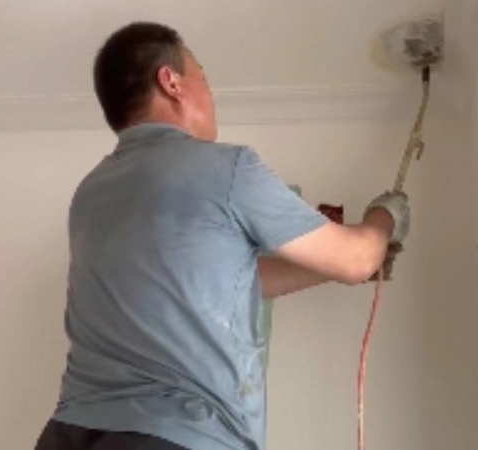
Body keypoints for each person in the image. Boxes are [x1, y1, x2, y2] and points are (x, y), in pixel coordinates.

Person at [34, 21, 410, 450]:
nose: (210, 95)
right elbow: (357, 258)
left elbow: (227, 279)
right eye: (204, 78)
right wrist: (386, 216)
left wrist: (324, 267)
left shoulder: (92, 191)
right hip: (174, 433)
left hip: (70, 433)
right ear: (171, 82)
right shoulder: (226, 168)